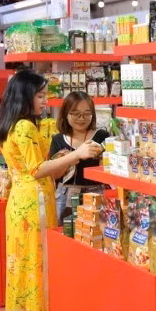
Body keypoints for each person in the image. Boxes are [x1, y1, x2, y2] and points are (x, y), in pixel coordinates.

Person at [0, 70, 102, 311]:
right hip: (35, 202)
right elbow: (37, 170)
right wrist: (77, 154)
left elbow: (28, 166)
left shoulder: (11, 125)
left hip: (21, 200)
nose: (45, 101)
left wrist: (59, 159)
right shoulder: (24, 127)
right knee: (37, 261)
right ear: (25, 96)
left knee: (21, 262)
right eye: (41, 96)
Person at [48, 91, 109, 220]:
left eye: (87, 114)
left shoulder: (102, 136)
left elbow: (109, 169)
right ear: (65, 114)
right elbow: (54, 174)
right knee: (64, 234)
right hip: (65, 196)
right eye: (75, 114)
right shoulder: (58, 139)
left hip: (96, 194)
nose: (81, 118)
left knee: (95, 233)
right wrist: (71, 158)